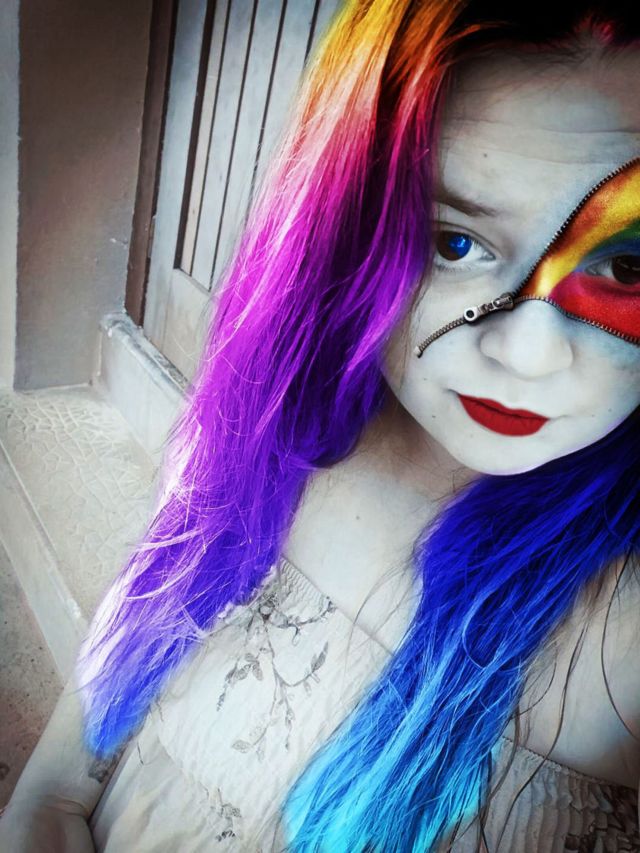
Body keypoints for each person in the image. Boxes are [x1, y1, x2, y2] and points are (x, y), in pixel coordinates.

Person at [1, 0, 640, 850]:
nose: (525, 353)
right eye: (453, 243)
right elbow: (53, 790)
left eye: (626, 264)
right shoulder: (264, 443)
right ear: (344, 231)